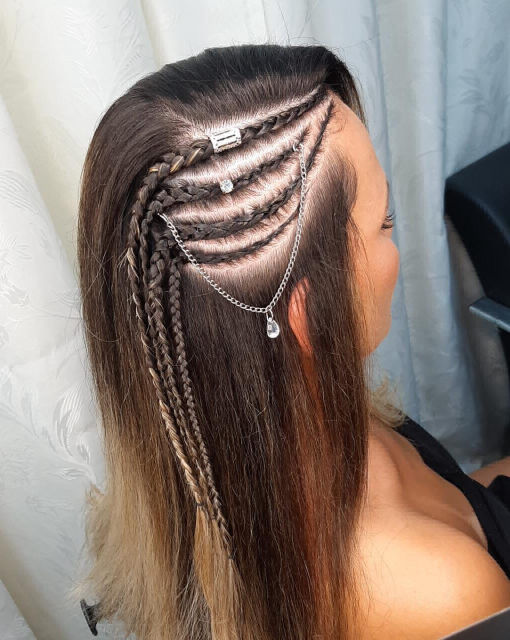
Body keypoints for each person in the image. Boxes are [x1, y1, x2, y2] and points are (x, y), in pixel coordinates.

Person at [72, 43, 510, 640]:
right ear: (306, 315)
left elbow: (462, 506)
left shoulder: (256, 436)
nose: (397, 245)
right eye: (384, 222)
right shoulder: (444, 591)